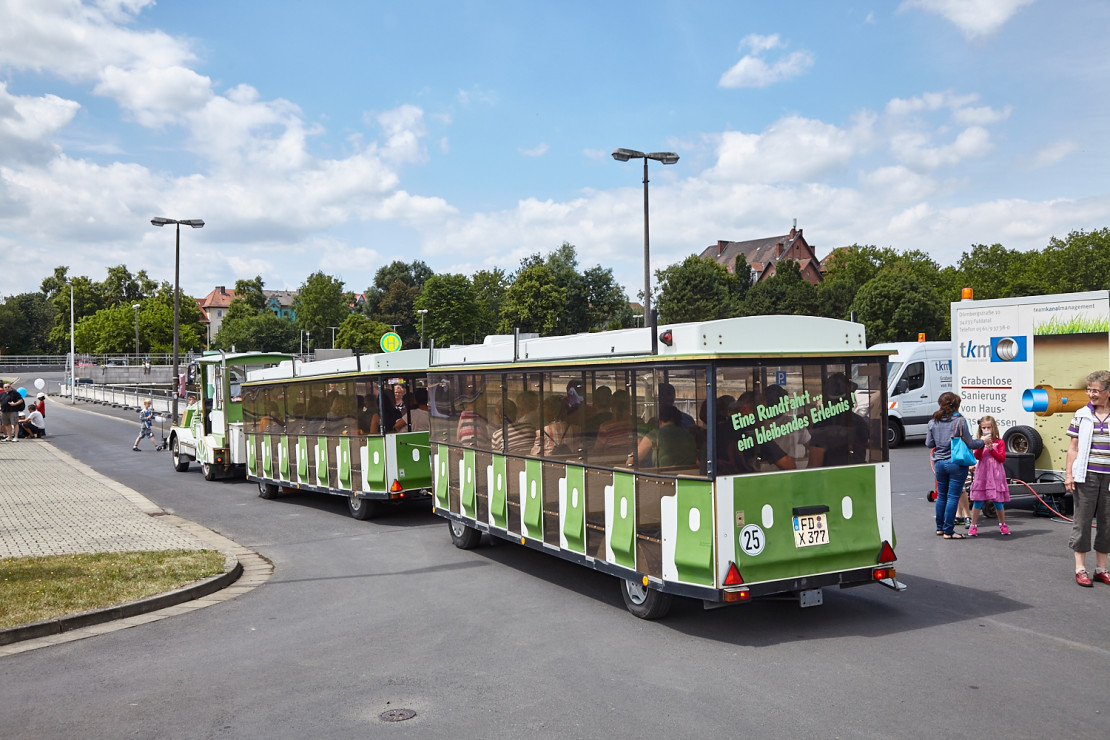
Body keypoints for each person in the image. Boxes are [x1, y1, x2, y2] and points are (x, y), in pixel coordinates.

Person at [1064, 370, 1110, 587]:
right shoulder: (1082, 414)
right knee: (1082, 523)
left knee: (1107, 523)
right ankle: (1080, 569)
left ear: (1108, 391)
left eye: (1096, 390)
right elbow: (1073, 448)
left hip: (1108, 478)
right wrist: (1069, 475)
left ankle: (1101, 569)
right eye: (1089, 390)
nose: (1091, 394)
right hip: (1087, 476)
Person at [925, 391, 983, 539]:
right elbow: (971, 443)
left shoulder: (933, 422)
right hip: (956, 463)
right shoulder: (960, 421)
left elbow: (929, 443)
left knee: (942, 496)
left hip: (939, 463)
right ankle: (949, 531)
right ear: (956, 405)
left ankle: (940, 528)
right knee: (952, 497)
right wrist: (984, 441)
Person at [807, 373, 869, 468]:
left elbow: (814, 465)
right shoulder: (860, 422)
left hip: (831, 476)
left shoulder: (822, 426)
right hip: (858, 474)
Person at [968, 415, 1010, 537]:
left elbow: (1002, 458)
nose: (986, 430)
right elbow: (977, 456)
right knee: (978, 500)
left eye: (989, 427)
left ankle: (1003, 524)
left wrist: (992, 449)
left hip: (996, 473)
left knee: (998, 501)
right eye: (984, 428)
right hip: (983, 472)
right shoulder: (979, 441)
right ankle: (973, 525)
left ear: (993, 428)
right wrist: (982, 444)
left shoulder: (1000, 442)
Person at [631, 404, 697, 469]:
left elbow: (631, 462)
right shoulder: (689, 435)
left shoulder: (654, 435)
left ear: (659, 421)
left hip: (664, 475)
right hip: (688, 474)